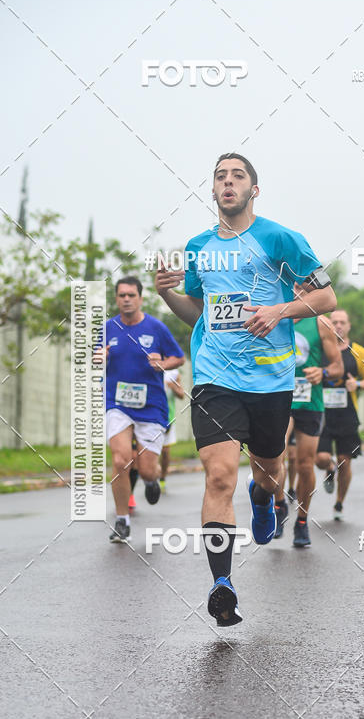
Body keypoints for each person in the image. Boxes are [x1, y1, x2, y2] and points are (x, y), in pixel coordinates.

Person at [155, 152, 336, 626]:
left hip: (271, 379)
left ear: (254, 189)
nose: (228, 182)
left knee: (268, 470)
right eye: (220, 177)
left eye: (238, 176)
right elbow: (200, 314)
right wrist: (166, 294)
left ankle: (264, 498)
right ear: (212, 191)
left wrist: (278, 311)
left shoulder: (281, 239)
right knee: (218, 476)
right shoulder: (198, 247)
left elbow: (325, 297)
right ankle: (222, 585)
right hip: (215, 376)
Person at [96, 276, 185, 543]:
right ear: (116, 298)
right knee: (121, 459)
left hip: (151, 406)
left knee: (147, 468)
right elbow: (96, 354)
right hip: (117, 402)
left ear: (140, 298)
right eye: (121, 295)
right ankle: (122, 520)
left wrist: (163, 364)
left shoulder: (156, 328)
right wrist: (99, 357)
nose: (126, 299)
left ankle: (150, 480)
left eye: (131, 295)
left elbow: (178, 357)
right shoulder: (108, 328)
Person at [273, 295, 343, 547]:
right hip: (280, 399)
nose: (295, 293)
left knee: (305, 464)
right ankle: (279, 504)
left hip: (310, 402)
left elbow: (338, 367)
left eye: (301, 288)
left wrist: (322, 372)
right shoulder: (274, 318)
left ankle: (301, 521)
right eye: (290, 286)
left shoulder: (320, 324)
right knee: (277, 453)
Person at [315, 309, 364, 520]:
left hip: (347, 414)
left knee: (345, 460)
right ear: (328, 325)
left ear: (349, 326)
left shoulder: (358, 351)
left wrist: (356, 383)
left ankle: (339, 503)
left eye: (342, 322)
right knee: (320, 458)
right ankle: (329, 468)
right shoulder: (321, 347)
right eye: (335, 322)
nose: (338, 325)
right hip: (321, 413)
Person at [160, 367, 186, 490]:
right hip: (150, 415)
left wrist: (172, 386)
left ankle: (162, 478)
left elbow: (181, 395)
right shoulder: (149, 364)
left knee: (165, 451)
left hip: (167, 416)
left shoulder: (174, 372)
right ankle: (148, 477)